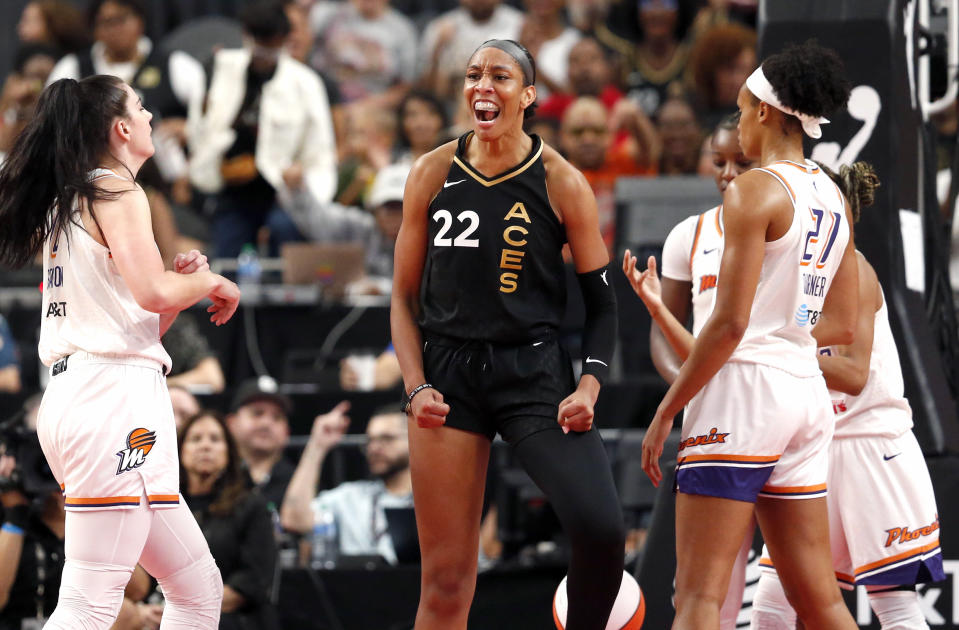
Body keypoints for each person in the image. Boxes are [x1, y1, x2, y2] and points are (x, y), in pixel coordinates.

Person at [391, 39, 625, 629]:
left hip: (534, 372)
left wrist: (588, 389)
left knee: (601, 529)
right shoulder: (432, 172)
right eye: (473, 75)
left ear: (527, 95)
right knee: (444, 582)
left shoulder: (562, 181)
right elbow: (401, 297)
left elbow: (602, 306)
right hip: (449, 376)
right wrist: (416, 386)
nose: (482, 87)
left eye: (499, 76)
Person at [0, 74, 240, 629]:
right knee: (89, 602)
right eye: (142, 107)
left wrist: (184, 292)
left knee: (197, 588)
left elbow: (139, 323)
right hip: (111, 403)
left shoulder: (70, 201)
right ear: (121, 127)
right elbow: (152, 289)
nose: (152, 116)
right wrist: (212, 283)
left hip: (93, 391)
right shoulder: (116, 188)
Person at [635, 40, 861, 629]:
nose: (738, 123)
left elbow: (729, 325)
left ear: (763, 110)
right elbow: (843, 323)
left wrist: (667, 409)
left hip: (743, 391)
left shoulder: (753, 190)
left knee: (699, 597)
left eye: (740, 110)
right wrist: (786, 332)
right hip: (805, 390)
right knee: (820, 600)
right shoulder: (835, 194)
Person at [749, 165, 944, 629]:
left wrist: (775, 347)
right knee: (773, 603)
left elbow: (854, 374)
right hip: (818, 447)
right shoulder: (800, 277)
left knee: (895, 607)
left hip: (871, 448)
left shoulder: (854, 267)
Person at [625, 113, 753, 630]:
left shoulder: (782, 231)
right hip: (709, 409)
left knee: (795, 585)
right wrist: (686, 384)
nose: (727, 173)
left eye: (740, 162)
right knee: (699, 590)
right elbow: (664, 330)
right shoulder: (689, 233)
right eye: (718, 161)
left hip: (772, 402)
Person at [189, 0, 337, 258]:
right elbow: (199, 130)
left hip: (283, 194)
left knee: (285, 229)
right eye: (260, 41)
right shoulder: (218, 68)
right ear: (247, 35)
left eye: (273, 43)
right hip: (232, 189)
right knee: (226, 255)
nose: (265, 51)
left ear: (284, 39)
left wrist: (305, 181)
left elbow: (320, 152)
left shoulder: (305, 83)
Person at [179, 411, 279, 630]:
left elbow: (252, 582)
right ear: (180, 450)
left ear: (228, 453)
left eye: (215, 439)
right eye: (195, 439)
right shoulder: (164, 506)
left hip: (233, 617)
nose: (205, 446)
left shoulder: (251, 506)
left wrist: (183, 612)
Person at [280, 405, 414, 564]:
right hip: (356, 585)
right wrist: (317, 445)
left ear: (414, 438)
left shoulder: (437, 500)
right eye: (370, 440)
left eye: (386, 438)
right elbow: (294, 520)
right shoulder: (351, 498)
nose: (374, 448)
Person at [226, 378, 296, 510]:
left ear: (287, 431)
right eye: (257, 413)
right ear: (231, 423)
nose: (266, 423)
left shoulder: (300, 481)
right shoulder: (215, 477)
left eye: (277, 417)